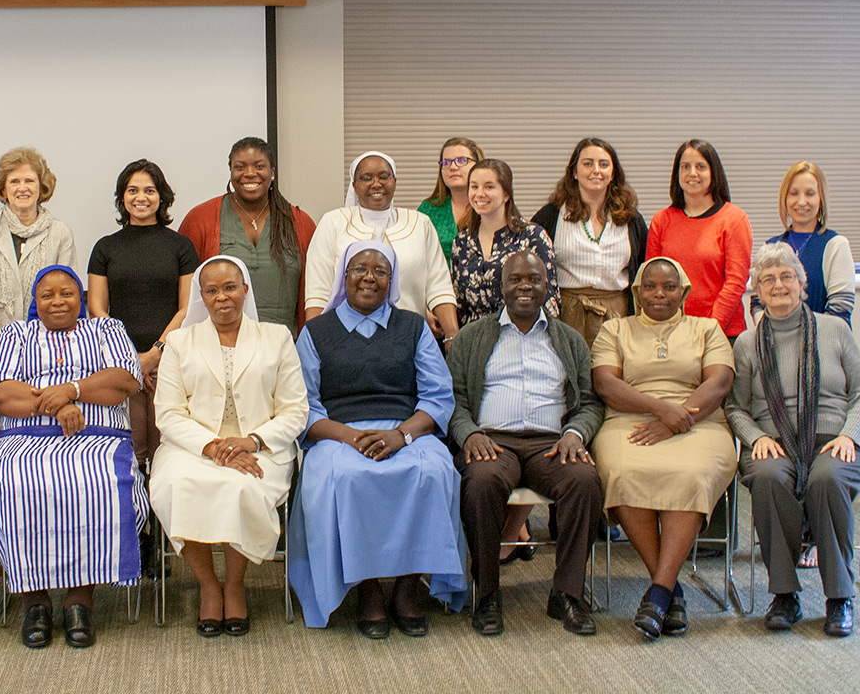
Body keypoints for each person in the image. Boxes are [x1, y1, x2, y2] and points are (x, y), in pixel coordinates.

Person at [290, 241, 467, 638]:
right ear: (343, 277)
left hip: (406, 430)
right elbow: (304, 406)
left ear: (392, 280)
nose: (369, 277)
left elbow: (438, 396)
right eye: (359, 269)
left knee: (435, 472)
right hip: (338, 435)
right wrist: (351, 437)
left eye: (380, 271)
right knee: (345, 478)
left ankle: (406, 590)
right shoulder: (316, 332)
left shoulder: (414, 327)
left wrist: (401, 434)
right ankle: (367, 590)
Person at [0, 265, 146, 650]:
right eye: (47, 295)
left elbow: (124, 381)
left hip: (99, 438)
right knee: (16, 484)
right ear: (35, 303)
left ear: (82, 299)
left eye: (67, 293)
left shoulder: (106, 329)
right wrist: (57, 405)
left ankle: (79, 600)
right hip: (23, 439)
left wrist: (71, 389)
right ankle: (34, 602)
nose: (58, 301)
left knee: (97, 483)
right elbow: (0, 393)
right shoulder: (15, 334)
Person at [449, 251, 603, 637]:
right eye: (515, 279)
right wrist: (469, 434)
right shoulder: (472, 336)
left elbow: (589, 401)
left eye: (533, 280)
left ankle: (567, 593)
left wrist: (575, 433)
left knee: (584, 480)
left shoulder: (568, 339)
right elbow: (453, 399)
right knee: (481, 482)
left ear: (546, 285)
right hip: (492, 440)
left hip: (551, 442)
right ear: (501, 287)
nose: (524, 287)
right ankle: (486, 593)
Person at [151, 256, 307, 637]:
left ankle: (235, 585)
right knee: (175, 486)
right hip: (192, 446)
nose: (222, 297)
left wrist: (253, 441)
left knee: (241, 487)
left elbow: (295, 409)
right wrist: (213, 446)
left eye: (230, 288)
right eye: (212, 290)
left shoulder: (277, 337)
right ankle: (208, 585)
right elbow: (168, 413)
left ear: (245, 290)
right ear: (201, 297)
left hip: (261, 449)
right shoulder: (179, 342)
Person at [590, 256, 736, 640]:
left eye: (669, 287)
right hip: (629, 420)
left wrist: (677, 420)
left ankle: (658, 592)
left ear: (683, 291)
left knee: (689, 474)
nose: (659, 294)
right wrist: (660, 411)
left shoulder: (707, 329)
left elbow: (719, 384)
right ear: (637, 292)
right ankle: (670, 588)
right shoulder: (614, 329)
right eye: (650, 287)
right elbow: (607, 385)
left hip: (699, 422)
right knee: (621, 471)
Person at [727, 243, 860, 638]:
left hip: (833, 437)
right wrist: (755, 437)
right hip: (774, 439)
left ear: (803, 285)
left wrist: (850, 435)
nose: (779, 284)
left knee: (827, 479)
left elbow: (859, 394)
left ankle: (839, 597)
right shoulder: (747, 344)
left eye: (787, 276)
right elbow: (734, 407)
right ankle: (784, 594)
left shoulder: (835, 330)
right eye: (768, 279)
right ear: (757, 291)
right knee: (767, 477)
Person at [89, 159, 199, 465]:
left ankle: (162, 512)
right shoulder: (105, 248)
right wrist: (129, 357)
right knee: (131, 451)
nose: (141, 197)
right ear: (122, 197)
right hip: (118, 362)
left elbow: (187, 307)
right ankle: (134, 510)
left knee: (167, 449)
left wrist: (156, 353)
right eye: (133, 190)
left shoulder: (181, 246)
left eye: (149, 190)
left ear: (161, 196)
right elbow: (96, 308)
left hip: (171, 359)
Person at [304, 152, 459, 345]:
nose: (376, 184)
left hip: (407, 339)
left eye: (384, 176)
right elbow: (317, 292)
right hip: (344, 341)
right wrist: (313, 343)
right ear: (354, 185)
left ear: (395, 181)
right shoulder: (333, 222)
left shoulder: (420, 223)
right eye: (366, 178)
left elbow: (440, 286)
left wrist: (452, 337)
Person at [179, 137, 316, 333]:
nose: (250, 173)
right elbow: (185, 296)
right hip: (218, 346)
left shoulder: (300, 223)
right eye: (240, 167)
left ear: (272, 173)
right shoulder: (200, 219)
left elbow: (314, 294)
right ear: (231, 172)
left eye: (259, 166)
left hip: (285, 346)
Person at [0, 146, 77, 367]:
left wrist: (33, 346)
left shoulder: (60, 233)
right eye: (14, 181)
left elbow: (67, 300)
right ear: (3, 189)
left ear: (41, 187)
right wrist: (7, 343)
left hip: (46, 355)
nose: (22, 188)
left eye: (29, 181)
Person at [531, 138, 648, 347]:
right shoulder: (551, 216)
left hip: (618, 315)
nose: (596, 170)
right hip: (567, 314)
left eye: (604, 164)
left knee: (611, 375)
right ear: (574, 172)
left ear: (613, 173)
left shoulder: (631, 218)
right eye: (587, 163)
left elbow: (642, 266)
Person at [645, 139, 752, 340]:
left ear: (713, 172)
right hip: (669, 333)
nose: (692, 173)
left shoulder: (734, 219)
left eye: (700, 166)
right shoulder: (662, 220)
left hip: (721, 334)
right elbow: (651, 281)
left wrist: (709, 329)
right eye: (685, 166)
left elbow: (736, 282)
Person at [452, 158, 559, 328]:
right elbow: (458, 302)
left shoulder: (532, 237)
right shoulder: (462, 242)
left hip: (521, 334)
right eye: (474, 187)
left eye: (489, 187)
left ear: (506, 194)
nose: (480, 193)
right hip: (473, 338)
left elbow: (550, 300)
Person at [750, 161, 854, 326]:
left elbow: (840, 309)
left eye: (810, 193)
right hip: (778, 348)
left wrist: (800, 339)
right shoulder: (770, 246)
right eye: (794, 193)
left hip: (826, 345)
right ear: (784, 198)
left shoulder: (836, 245)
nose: (801, 201)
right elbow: (758, 303)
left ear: (821, 199)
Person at [417, 137, 485, 265]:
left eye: (461, 160)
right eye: (446, 162)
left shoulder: (489, 206)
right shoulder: (429, 209)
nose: (453, 167)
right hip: (437, 283)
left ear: (478, 165)